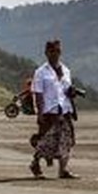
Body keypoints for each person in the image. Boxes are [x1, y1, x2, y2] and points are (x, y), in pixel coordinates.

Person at [29, 40, 80, 179]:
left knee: (67, 140)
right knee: (46, 141)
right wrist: (39, 113)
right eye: (51, 51)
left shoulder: (66, 70)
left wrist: (72, 92)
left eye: (57, 51)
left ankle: (63, 170)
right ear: (46, 53)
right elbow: (38, 93)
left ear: (60, 52)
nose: (55, 54)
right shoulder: (40, 72)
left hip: (65, 110)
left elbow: (66, 90)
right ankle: (35, 164)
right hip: (49, 112)